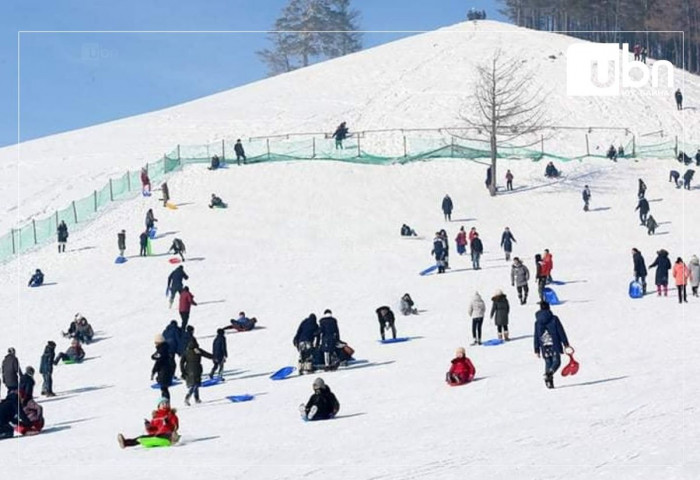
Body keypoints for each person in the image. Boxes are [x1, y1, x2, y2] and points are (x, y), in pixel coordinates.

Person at [533, 301, 570, 389]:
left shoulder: (537, 322)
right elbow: (560, 331)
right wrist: (565, 343)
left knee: (548, 362)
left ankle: (549, 382)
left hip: (544, 345)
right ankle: (549, 373)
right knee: (556, 362)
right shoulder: (554, 319)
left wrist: (536, 349)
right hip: (555, 344)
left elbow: (536, 336)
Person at [180, 332, 212, 406]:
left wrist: (183, 371)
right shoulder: (198, 350)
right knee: (195, 384)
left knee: (194, 384)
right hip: (197, 368)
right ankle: (187, 398)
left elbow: (181, 362)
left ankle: (196, 398)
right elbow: (207, 355)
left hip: (188, 369)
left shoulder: (186, 352)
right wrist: (215, 357)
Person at [151, 334, 175, 401]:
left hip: (164, 372)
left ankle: (166, 405)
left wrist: (153, 371)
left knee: (164, 389)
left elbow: (157, 361)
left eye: (156, 342)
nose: (155, 344)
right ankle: (165, 405)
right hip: (165, 371)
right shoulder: (164, 348)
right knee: (164, 389)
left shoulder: (162, 350)